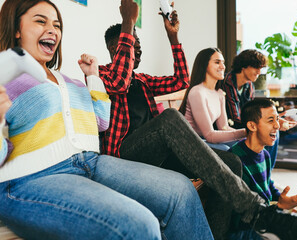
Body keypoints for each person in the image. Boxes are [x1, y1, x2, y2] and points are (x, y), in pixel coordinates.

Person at [98, 2, 297, 238]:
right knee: (169, 117)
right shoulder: (102, 75)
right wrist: (129, 22)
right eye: (132, 45)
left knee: (233, 163)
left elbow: (181, 81)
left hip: (157, 155)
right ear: (115, 48)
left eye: (139, 46)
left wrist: (172, 37)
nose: (137, 50)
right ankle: (258, 212)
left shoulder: (142, 81)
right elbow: (119, 81)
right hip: (123, 156)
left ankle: (218, 234)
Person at [0, 0, 215, 239]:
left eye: (57, 25)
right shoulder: (6, 78)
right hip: (38, 174)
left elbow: (100, 122)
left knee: (182, 191)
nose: (52, 30)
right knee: (139, 225)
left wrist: (92, 79)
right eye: (41, 21)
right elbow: (120, 81)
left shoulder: (70, 81)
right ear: (16, 29)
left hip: (91, 162)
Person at [229, 99, 297, 239]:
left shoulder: (265, 154)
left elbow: (269, 188)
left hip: (273, 212)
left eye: (277, 119)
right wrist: (280, 208)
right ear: (252, 126)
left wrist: (291, 203)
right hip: (254, 224)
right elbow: (242, 213)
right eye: (271, 120)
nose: (277, 125)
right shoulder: (234, 160)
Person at [221, 49, 297, 166]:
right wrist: (265, 123)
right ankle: (260, 171)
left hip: (244, 124)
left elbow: (252, 112)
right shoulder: (227, 82)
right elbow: (236, 118)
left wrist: (273, 121)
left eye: (261, 68)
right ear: (243, 66)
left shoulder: (249, 86)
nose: (259, 71)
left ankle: (266, 173)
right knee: (268, 131)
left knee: (274, 131)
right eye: (256, 67)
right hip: (230, 128)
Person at [178, 48, 246, 151]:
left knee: (247, 146)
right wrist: (244, 132)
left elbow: (224, 127)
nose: (223, 67)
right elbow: (209, 135)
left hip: (204, 140)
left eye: (223, 62)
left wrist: (248, 136)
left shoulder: (219, 93)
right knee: (227, 150)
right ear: (204, 65)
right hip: (191, 142)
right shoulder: (197, 92)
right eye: (217, 62)